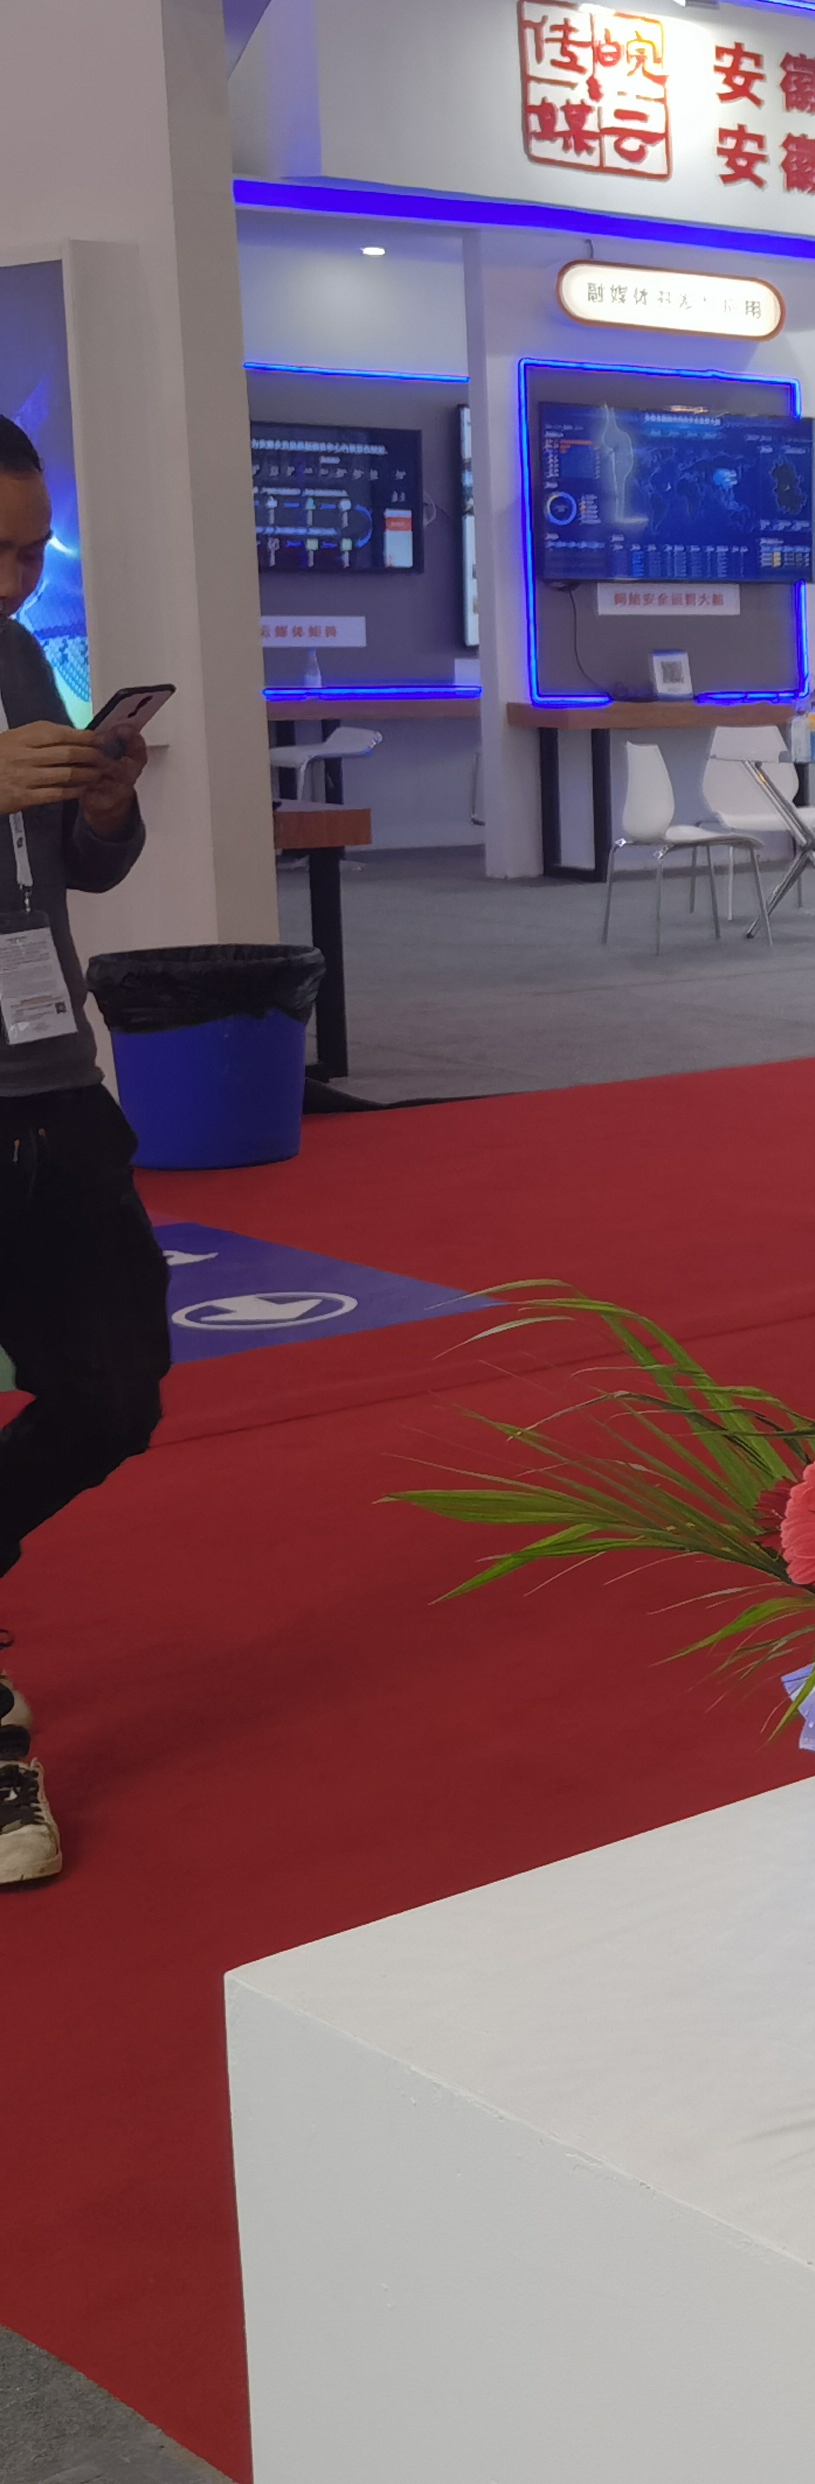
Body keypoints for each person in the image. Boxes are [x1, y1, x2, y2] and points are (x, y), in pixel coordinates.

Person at [0, 412, 164, 1890]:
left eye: (28, 549)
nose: (15, 579)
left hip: (50, 1080)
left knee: (116, 1390)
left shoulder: (14, 653)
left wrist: (106, 805)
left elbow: (76, 871)